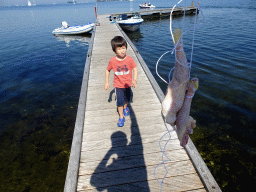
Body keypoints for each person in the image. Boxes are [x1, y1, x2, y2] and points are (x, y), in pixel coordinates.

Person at [105, 36, 138, 127]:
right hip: (118, 86)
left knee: (126, 99)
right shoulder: (112, 61)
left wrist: (134, 80)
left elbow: (135, 69)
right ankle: (121, 116)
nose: (122, 50)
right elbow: (107, 70)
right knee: (119, 102)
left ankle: (125, 107)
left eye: (124, 48)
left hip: (127, 85)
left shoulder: (130, 59)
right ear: (115, 51)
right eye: (119, 49)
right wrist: (106, 82)